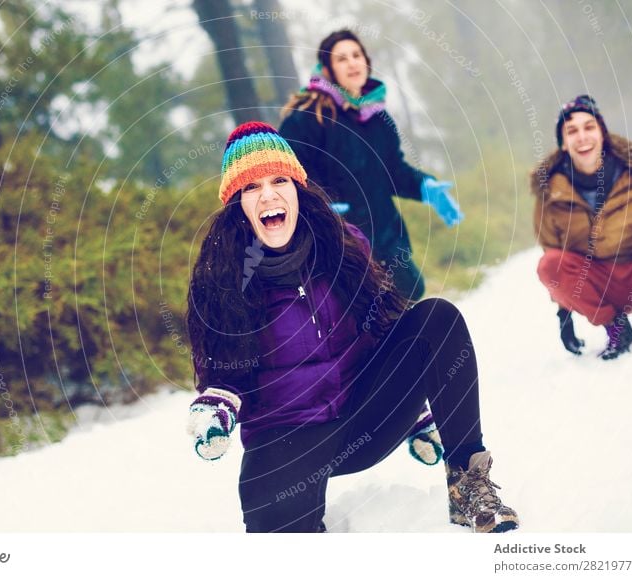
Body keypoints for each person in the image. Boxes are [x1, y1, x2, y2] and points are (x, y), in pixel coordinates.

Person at [185, 121, 518, 533]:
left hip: (363, 421)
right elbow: (224, 369)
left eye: (278, 180)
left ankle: (468, 484)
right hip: (288, 439)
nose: (268, 194)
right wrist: (216, 404)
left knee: (437, 318)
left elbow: (379, 326)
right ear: (237, 203)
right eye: (251, 187)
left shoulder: (341, 244)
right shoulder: (220, 276)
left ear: (297, 188)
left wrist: (415, 414)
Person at [279, 29, 463, 302]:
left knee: (409, 298)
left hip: (388, 240)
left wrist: (426, 186)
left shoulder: (377, 118)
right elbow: (287, 172)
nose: (353, 62)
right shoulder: (308, 117)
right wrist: (317, 205)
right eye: (342, 58)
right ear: (328, 69)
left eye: (357, 55)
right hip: (338, 244)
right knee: (361, 320)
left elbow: (394, 172)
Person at [532, 95, 632, 360]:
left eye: (589, 127)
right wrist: (564, 314)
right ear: (563, 143)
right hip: (600, 289)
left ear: (602, 133)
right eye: (571, 131)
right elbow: (556, 264)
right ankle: (617, 330)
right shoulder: (550, 194)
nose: (582, 137)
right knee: (548, 264)